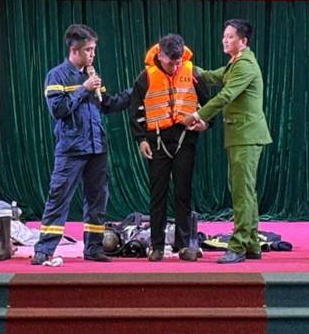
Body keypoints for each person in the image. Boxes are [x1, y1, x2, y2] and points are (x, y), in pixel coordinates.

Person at [31, 24, 131, 265]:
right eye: (88, 50)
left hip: (97, 147)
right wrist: (83, 90)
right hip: (71, 148)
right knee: (58, 197)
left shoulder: (92, 75)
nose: (92, 54)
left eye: (94, 49)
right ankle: (44, 249)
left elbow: (106, 104)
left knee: (97, 199)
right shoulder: (57, 75)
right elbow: (58, 110)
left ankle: (94, 248)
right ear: (74, 50)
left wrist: (133, 93)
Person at [183, 19, 272, 264]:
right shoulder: (235, 63)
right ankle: (251, 243)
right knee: (244, 192)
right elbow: (211, 77)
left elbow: (225, 96)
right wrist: (186, 66)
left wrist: (197, 115)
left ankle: (238, 246)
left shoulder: (245, 65)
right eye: (224, 36)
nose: (225, 40)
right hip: (239, 136)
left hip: (246, 136)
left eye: (230, 36)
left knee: (242, 194)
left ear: (243, 41)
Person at [129, 34, 210, 262]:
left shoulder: (193, 73)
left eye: (177, 62)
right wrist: (141, 140)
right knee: (158, 194)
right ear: (160, 55)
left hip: (186, 138)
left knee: (184, 192)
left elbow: (209, 104)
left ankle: (184, 245)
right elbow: (135, 112)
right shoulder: (144, 78)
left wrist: (205, 123)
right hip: (156, 142)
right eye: (170, 63)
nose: (174, 67)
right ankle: (156, 245)